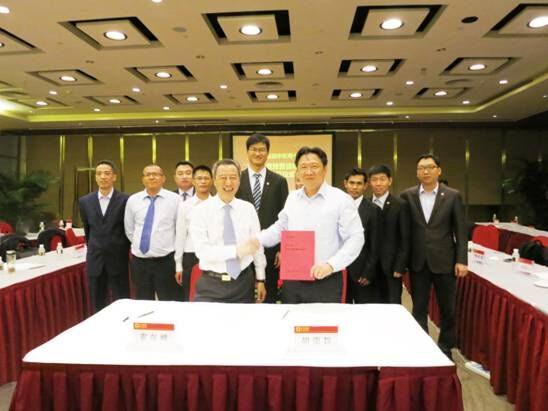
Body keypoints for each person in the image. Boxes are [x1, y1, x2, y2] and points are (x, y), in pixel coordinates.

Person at [254, 146, 364, 303]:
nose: (309, 172)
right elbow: (281, 228)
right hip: (293, 280)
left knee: (324, 319)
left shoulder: (341, 199)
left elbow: (356, 238)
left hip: (326, 278)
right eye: (303, 167)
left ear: (325, 169)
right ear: (298, 171)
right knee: (292, 318)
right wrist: (257, 240)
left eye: (314, 166)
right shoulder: (293, 198)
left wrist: (331, 265)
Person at [400, 154, 468, 360]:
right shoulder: (407, 196)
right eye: (421, 168)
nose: (425, 171)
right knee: (419, 308)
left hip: (445, 261)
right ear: (417, 172)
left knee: (448, 309)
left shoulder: (452, 196)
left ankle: (445, 347)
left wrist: (462, 260)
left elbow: (461, 231)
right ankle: (422, 347)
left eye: (430, 167)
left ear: (439, 170)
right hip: (418, 261)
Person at [190, 159, 267, 303]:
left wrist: (261, 279)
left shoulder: (248, 209)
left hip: (243, 283)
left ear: (239, 180)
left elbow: (257, 247)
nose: (228, 183)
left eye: (233, 177)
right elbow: (202, 251)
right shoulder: (200, 211)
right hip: (211, 284)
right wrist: (236, 251)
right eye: (223, 177)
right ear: (214, 180)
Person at [236, 134, 289, 303]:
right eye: (254, 149)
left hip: (271, 250)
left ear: (268, 153)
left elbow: (285, 217)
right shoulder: (237, 180)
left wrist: (282, 248)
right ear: (247, 152)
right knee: (243, 297)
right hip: (243, 248)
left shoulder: (279, 181)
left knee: (269, 296)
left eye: (262, 150)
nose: (258, 153)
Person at [79, 160, 130, 312]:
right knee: (97, 301)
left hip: (118, 258)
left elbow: (128, 229)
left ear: (114, 177)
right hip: (95, 258)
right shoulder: (85, 201)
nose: (103, 177)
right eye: (99, 174)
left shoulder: (126, 200)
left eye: (107, 173)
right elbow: (88, 229)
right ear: (95, 177)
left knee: (122, 300)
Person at [124, 164, 180, 300]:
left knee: (168, 300)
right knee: (143, 301)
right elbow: (129, 229)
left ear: (163, 178)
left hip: (165, 262)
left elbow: (179, 229)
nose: (151, 177)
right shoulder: (133, 200)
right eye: (148, 174)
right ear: (143, 179)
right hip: (139, 262)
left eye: (155, 174)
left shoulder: (175, 199)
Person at [368, 164, 410, 304]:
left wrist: (400, 265)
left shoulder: (400, 205)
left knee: (393, 305)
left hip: (392, 267)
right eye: (374, 179)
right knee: (371, 306)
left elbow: (405, 238)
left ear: (390, 181)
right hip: (370, 268)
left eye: (382, 179)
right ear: (369, 182)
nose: (378, 183)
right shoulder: (365, 205)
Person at [174, 165, 213, 301]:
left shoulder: (218, 204)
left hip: (212, 255)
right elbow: (180, 236)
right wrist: (178, 265)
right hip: (190, 255)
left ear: (212, 181)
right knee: (189, 295)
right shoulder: (185, 206)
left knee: (212, 294)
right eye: (199, 178)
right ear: (193, 181)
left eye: (206, 178)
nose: (203, 181)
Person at [343, 168, 382, 303]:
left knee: (363, 311)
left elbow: (375, 244)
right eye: (352, 183)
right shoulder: (336, 206)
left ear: (365, 186)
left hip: (362, 273)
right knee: (341, 311)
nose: (355, 187)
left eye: (359, 183)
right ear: (345, 184)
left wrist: (368, 272)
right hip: (339, 271)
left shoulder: (373, 210)